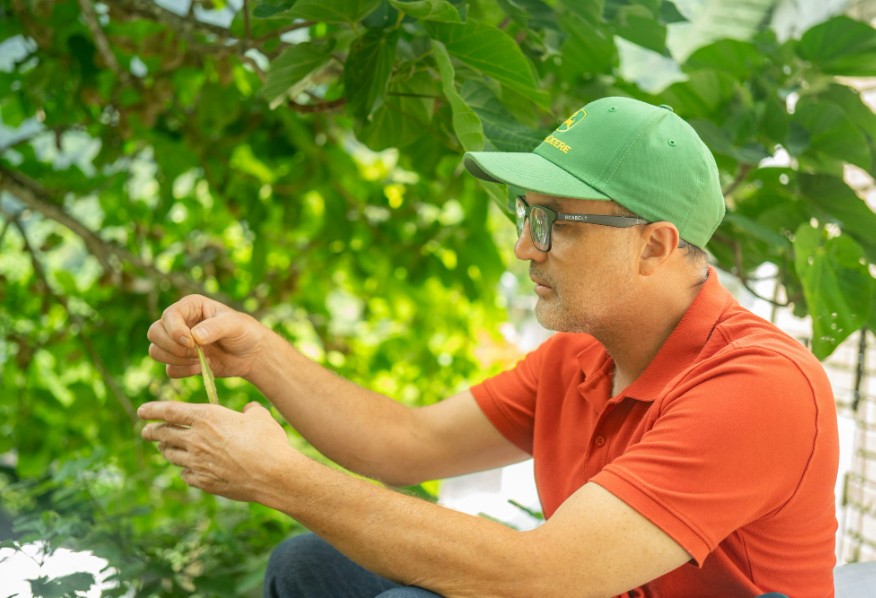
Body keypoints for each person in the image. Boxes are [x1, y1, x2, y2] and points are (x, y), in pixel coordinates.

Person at [139, 96, 839, 597]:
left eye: (555, 221)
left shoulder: (757, 386)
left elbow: (546, 576)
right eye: (524, 213)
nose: (522, 246)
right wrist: (259, 354)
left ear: (653, 245)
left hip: (561, 583)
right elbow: (406, 443)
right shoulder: (583, 356)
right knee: (309, 565)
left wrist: (279, 477)